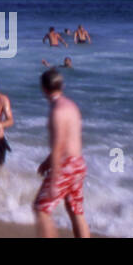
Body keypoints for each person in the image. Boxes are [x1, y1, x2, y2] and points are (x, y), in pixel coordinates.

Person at [33, 67, 89, 238]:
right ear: (61, 86)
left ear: (43, 88)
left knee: (41, 208)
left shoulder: (56, 111)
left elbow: (58, 146)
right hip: (78, 163)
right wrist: (47, 162)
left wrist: (55, 175)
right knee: (76, 210)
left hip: (65, 165)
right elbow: (68, 140)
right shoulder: (71, 105)